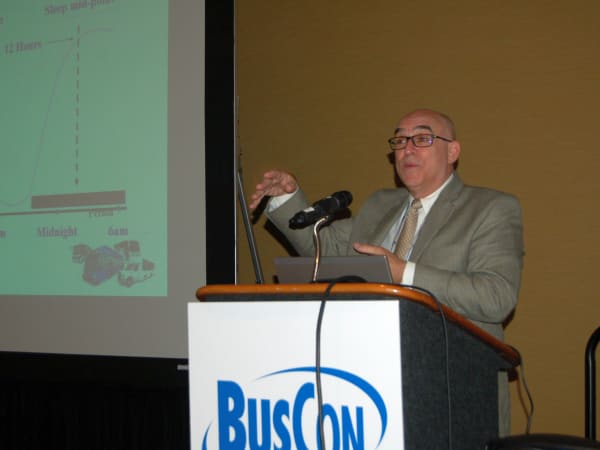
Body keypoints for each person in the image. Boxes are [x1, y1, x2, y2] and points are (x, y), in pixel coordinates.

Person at [249, 108, 524, 436]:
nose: (407, 149)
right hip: (368, 380)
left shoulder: (490, 208)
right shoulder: (380, 204)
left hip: (453, 391)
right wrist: (287, 199)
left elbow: (497, 296)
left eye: (422, 138)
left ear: (452, 151)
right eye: (400, 140)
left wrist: (402, 274)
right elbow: (325, 250)